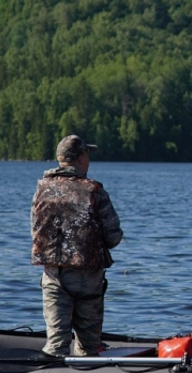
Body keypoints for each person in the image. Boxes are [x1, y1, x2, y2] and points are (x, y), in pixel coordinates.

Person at [31, 134, 123, 357]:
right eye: (87, 155)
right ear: (80, 158)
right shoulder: (94, 191)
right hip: (88, 281)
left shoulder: (42, 190)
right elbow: (113, 238)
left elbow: (35, 230)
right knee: (89, 348)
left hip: (54, 277)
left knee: (56, 345)